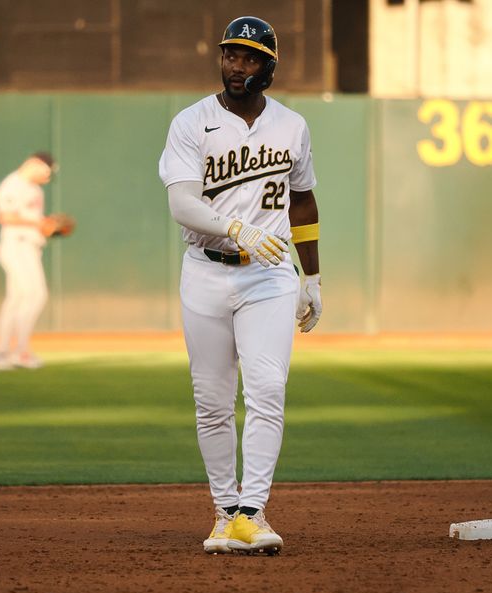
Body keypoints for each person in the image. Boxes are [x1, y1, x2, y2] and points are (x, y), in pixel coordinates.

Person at [158, 16, 323, 555]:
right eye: (231, 55)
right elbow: (182, 201)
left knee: (268, 389)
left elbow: (302, 198)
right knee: (211, 401)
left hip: (269, 275)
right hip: (205, 269)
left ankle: (252, 512)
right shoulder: (191, 121)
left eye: (250, 57)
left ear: (269, 67)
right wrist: (234, 227)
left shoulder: (291, 127)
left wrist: (313, 277)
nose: (236, 65)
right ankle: (223, 512)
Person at [0, 151, 60, 371]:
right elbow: (6, 217)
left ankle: (5, 353)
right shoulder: (12, 184)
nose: (47, 179)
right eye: (47, 173)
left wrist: (47, 225)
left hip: (30, 246)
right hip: (16, 245)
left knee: (17, 299)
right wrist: (40, 224)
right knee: (35, 295)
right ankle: (18, 351)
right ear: (36, 163)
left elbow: (32, 220)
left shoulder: (35, 189)